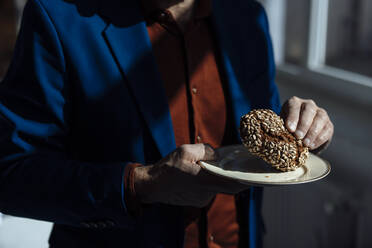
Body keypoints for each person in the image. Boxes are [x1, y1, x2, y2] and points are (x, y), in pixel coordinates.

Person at [0, 0, 334, 247]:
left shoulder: (247, 16)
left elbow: (261, 137)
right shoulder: (58, 16)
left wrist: (302, 130)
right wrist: (143, 183)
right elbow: (11, 175)